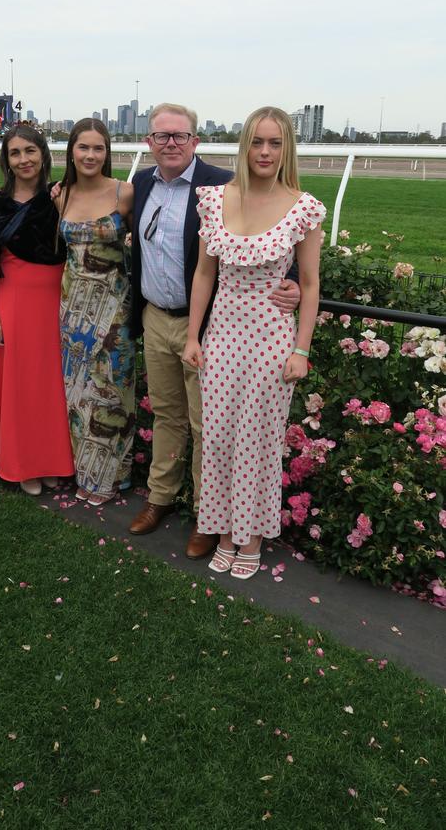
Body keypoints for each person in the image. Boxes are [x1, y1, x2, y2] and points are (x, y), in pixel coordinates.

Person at [128, 103, 301, 558]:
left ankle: (210, 518)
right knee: (166, 416)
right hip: (154, 317)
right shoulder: (141, 183)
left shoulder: (222, 185)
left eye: (179, 136)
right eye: (161, 136)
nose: (170, 143)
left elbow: (282, 240)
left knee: (210, 426)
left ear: (195, 141)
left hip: (208, 327)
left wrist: (296, 287)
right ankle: (160, 498)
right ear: (149, 142)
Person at [182, 107, 325, 578]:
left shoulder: (302, 207)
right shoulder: (215, 199)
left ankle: (253, 537)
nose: (265, 152)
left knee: (259, 441)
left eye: (275, 143)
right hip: (221, 334)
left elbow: (309, 283)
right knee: (219, 437)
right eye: (257, 142)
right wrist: (193, 336)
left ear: (287, 148)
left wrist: (301, 350)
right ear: (245, 145)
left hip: (271, 339)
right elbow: (205, 273)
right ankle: (224, 531)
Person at [0, 124, 74, 493]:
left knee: (51, 388)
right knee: (20, 388)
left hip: (56, 303)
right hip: (13, 304)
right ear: (7, 160)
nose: (23, 160)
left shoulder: (60, 196)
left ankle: (52, 461)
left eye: (30, 151)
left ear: (43, 154)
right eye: (15, 153)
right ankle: (23, 465)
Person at [57, 118, 135, 505]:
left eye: (98, 148)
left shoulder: (125, 193)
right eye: (83, 147)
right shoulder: (60, 194)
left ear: (107, 152)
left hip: (114, 313)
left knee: (111, 397)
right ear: (71, 151)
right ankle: (82, 473)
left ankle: (109, 479)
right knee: (78, 396)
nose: (90, 155)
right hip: (72, 310)